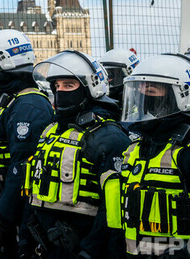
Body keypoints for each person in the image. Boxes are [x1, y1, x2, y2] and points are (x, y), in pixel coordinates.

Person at [105, 54, 190, 257]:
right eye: (138, 91)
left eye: (151, 91)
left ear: (181, 95)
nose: (143, 98)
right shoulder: (136, 148)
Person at [26, 51, 130, 258]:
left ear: (90, 87)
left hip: (83, 245)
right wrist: (25, 239)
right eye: (57, 86)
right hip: (46, 244)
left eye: (68, 85)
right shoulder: (51, 131)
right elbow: (32, 192)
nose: (61, 91)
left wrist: (89, 251)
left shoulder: (109, 136)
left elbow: (112, 211)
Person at [0, 30, 54, 259]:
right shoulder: (14, 99)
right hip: (9, 200)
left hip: (21, 208)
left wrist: (3, 217)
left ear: (6, 60)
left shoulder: (29, 104)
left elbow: (21, 168)